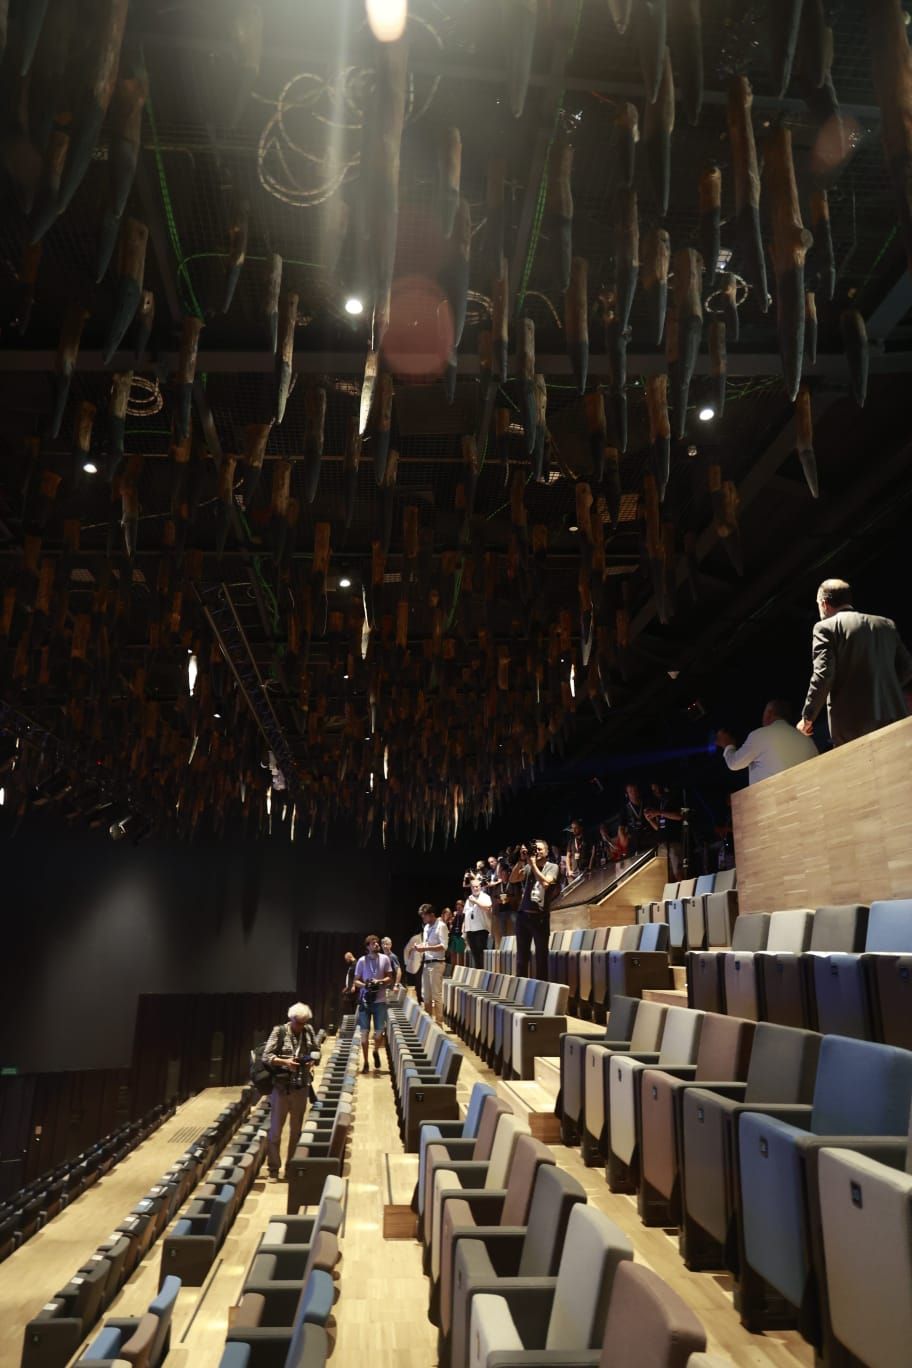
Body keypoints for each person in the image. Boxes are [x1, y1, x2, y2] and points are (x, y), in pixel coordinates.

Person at [798, 578, 912, 746]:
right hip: (894, 715)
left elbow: (823, 675)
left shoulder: (824, 628)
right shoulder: (886, 624)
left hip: (854, 726)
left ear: (823, 603)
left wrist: (808, 717)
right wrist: (883, 688)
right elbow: (908, 668)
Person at [262, 1002, 320, 1181]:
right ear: (291, 1019)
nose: (301, 1026)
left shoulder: (308, 1031)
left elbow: (317, 1052)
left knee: (296, 1131)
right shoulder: (279, 1032)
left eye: (304, 1022)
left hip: (301, 1086)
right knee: (276, 1132)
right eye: (298, 1022)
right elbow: (266, 1056)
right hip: (281, 1087)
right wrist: (286, 1062)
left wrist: (312, 1061)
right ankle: (273, 1168)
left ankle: (290, 1168)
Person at [717, 699, 817, 784]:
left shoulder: (759, 735)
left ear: (769, 713)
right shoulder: (807, 740)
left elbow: (734, 763)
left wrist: (727, 745)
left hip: (777, 802)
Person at [515, 838, 559, 979]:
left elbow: (546, 883)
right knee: (521, 959)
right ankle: (520, 990)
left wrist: (532, 864)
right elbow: (512, 879)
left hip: (539, 918)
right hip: (523, 917)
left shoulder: (553, 867)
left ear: (547, 852)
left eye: (540, 849)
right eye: (535, 849)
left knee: (541, 957)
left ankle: (541, 992)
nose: (537, 852)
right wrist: (521, 860)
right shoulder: (528, 866)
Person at [354, 933, 394, 1073]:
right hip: (365, 1001)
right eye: (373, 943)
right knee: (364, 1035)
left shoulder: (385, 959)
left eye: (377, 942)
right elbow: (356, 981)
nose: (376, 944)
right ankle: (365, 1062)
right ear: (368, 946)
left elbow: (390, 977)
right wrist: (365, 985)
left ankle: (376, 1050)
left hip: (380, 1000)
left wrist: (380, 982)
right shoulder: (361, 961)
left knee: (378, 1033)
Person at [413, 903, 449, 1024]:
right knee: (426, 995)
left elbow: (444, 946)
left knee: (436, 995)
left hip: (437, 963)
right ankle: (428, 1024)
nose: (423, 919)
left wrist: (426, 949)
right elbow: (427, 944)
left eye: (424, 916)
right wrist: (420, 947)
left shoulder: (441, 926)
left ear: (432, 915)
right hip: (427, 962)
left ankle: (439, 1023)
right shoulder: (426, 927)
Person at [645, 781, 683, 879]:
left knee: (677, 872)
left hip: (674, 841)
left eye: (656, 789)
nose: (655, 792)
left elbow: (679, 816)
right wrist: (650, 819)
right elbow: (658, 827)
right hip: (662, 843)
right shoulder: (659, 803)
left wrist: (658, 812)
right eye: (653, 790)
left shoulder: (673, 799)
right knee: (665, 876)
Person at [463, 875, 493, 968]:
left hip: (481, 929)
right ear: (471, 888)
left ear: (480, 887)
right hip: (470, 930)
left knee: (481, 953)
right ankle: (479, 971)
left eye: (477, 886)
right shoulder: (469, 898)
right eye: (473, 887)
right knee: (474, 954)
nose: (475, 888)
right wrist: (463, 928)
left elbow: (488, 908)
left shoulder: (485, 896)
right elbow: (466, 914)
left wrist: (476, 902)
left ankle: (484, 972)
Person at [622, 782, 651, 853]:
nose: (633, 793)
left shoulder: (646, 803)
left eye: (635, 790)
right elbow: (621, 828)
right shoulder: (625, 809)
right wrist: (623, 839)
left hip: (648, 837)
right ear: (627, 794)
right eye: (630, 791)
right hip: (634, 841)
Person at [341, 950, 357, 1015]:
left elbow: (357, 975)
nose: (346, 961)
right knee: (348, 1004)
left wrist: (354, 985)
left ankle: (353, 1020)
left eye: (346, 959)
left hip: (354, 989)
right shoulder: (351, 965)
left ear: (349, 957)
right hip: (350, 988)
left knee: (351, 1005)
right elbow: (350, 976)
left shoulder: (356, 964)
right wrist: (347, 987)